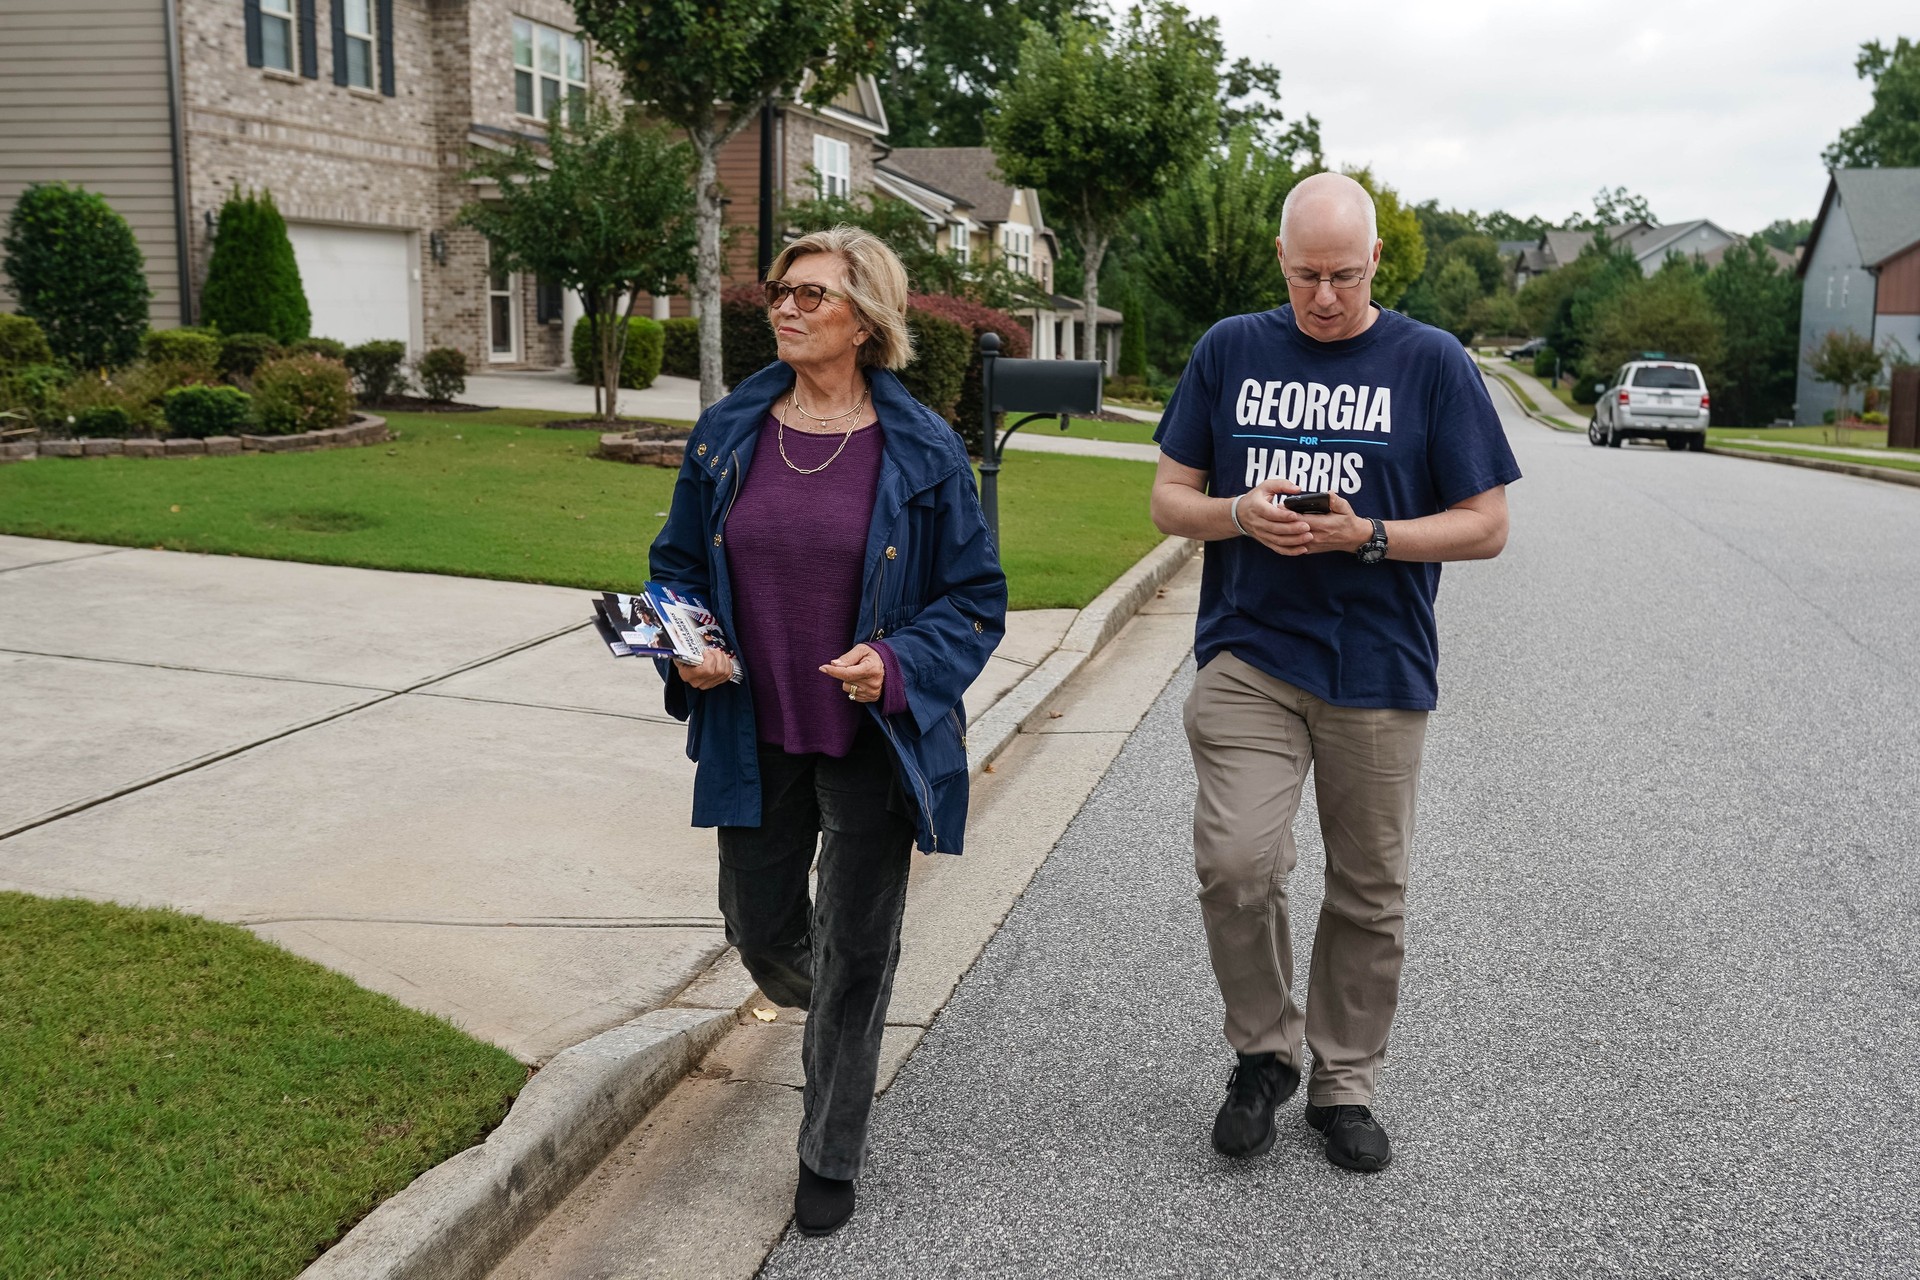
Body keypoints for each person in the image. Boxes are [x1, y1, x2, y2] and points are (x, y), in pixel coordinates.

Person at [1149, 172, 1521, 1173]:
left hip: (1380, 663)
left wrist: (1370, 536)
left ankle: (1345, 1080)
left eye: (1344, 276)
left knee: (1369, 886)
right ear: (1282, 262)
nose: (1324, 295)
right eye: (1308, 274)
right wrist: (1240, 513)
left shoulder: (1431, 362)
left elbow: (1486, 524)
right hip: (1251, 654)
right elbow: (1168, 496)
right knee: (1239, 864)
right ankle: (1263, 1050)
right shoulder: (1231, 349)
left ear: (1376, 265)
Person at [649, 226, 1006, 1234]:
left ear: (865, 320)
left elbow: (975, 602)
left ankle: (829, 1144)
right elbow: (675, 566)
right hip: (753, 728)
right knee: (761, 933)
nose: (787, 308)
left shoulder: (926, 451)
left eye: (811, 294)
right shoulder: (728, 431)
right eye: (780, 291)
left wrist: (896, 663)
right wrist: (688, 638)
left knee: (853, 946)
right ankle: (854, 1009)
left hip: (869, 741)